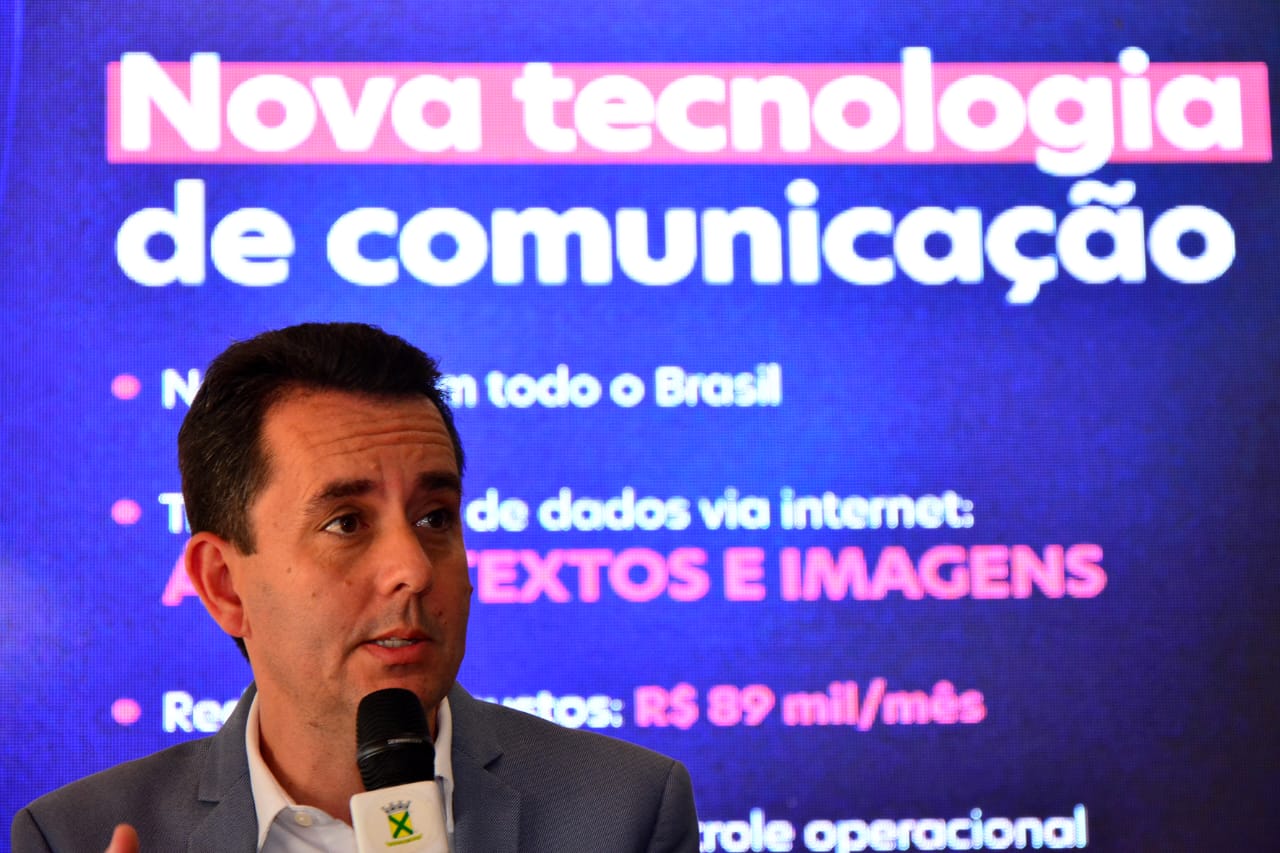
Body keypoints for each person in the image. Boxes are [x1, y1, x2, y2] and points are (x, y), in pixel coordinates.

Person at [12, 322, 699, 852]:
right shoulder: (74, 834)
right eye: (346, 523)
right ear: (224, 586)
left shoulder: (624, 811)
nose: (414, 570)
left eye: (434, 517)